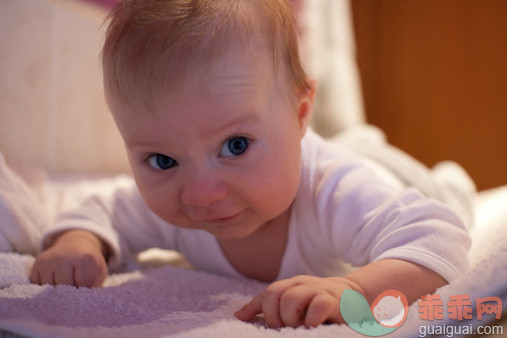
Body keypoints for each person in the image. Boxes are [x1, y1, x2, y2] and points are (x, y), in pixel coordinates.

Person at [29, 0, 471, 329]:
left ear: (300, 115)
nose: (201, 194)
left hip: (386, 171)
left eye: (236, 145)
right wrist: (78, 243)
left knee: (444, 193)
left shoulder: (330, 189)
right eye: (162, 160)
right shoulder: (179, 203)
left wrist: (354, 289)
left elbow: (439, 235)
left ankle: (450, 180)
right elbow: (100, 210)